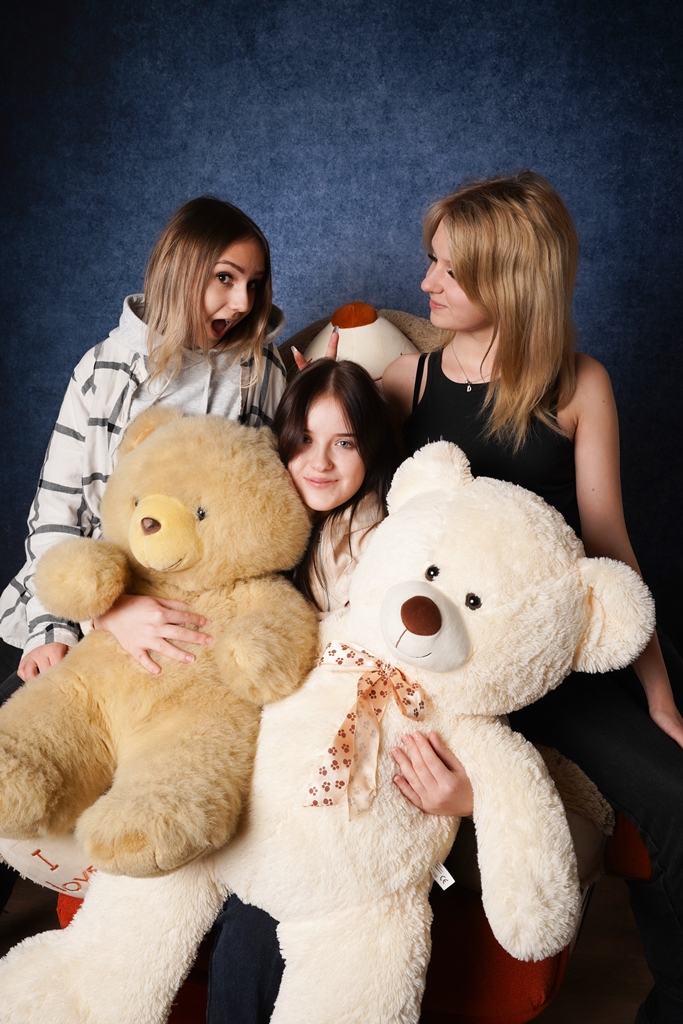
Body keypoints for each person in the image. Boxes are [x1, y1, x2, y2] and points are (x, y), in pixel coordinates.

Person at [382, 170, 683, 1024]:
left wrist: (660, 693)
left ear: (510, 280)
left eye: (448, 270)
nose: (425, 282)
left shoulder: (578, 384)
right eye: (430, 260)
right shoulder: (405, 380)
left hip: (565, 650)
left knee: (673, 775)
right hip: (469, 665)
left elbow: (609, 545)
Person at [0, 194, 288, 906]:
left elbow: (268, 511)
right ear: (180, 270)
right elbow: (55, 511)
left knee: (191, 776)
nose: (240, 302)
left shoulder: (261, 373)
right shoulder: (103, 371)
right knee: (30, 752)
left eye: (253, 284)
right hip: (100, 603)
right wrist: (75, 621)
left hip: (200, 626)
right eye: (224, 278)